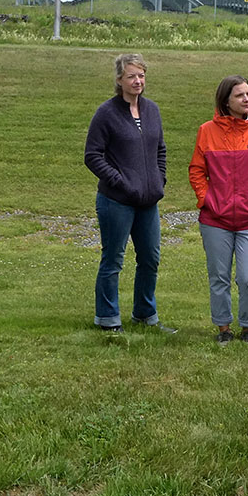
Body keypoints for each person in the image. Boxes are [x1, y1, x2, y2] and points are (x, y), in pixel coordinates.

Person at [189, 76, 248, 346]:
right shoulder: (207, 130)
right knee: (218, 276)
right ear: (225, 101)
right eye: (240, 95)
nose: (247, 99)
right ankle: (223, 329)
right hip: (214, 220)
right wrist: (205, 198)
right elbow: (197, 170)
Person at [84, 53, 174, 334]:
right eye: (132, 76)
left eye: (142, 75)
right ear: (119, 80)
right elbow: (92, 155)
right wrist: (120, 181)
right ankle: (108, 318)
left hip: (148, 201)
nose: (138, 81)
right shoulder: (106, 113)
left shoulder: (152, 111)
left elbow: (160, 149)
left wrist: (159, 180)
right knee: (113, 259)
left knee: (150, 258)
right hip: (116, 200)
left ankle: (145, 314)